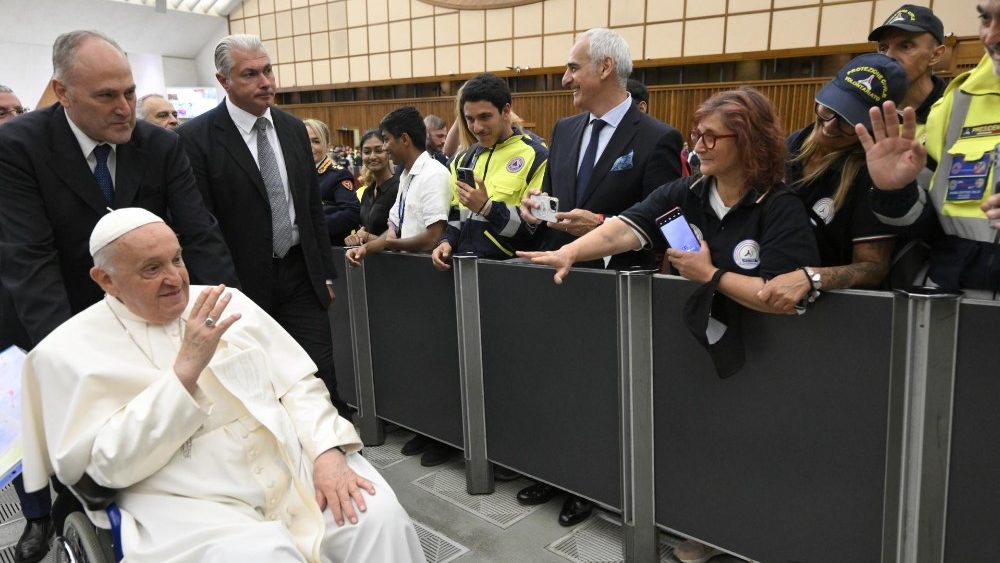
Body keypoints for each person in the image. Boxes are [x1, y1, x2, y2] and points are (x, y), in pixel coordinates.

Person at [19, 208, 426, 563]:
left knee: (376, 519)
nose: (175, 278)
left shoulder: (227, 301)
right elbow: (109, 465)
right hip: (190, 502)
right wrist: (184, 373)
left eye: (176, 259)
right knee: (258, 556)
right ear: (105, 279)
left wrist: (326, 452)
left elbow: (297, 385)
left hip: (291, 467)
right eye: (151, 268)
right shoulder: (69, 352)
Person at [518, 88, 819, 562]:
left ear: (748, 141)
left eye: (711, 137)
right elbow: (626, 226)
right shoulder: (687, 192)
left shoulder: (779, 206)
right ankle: (702, 530)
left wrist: (710, 276)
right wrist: (570, 251)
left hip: (764, 356)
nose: (697, 145)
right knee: (700, 441)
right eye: (696, 135)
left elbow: (781, 297)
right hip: (698, 349)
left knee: (754, 450)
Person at [0, 32, 237, 563]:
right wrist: (73, 356)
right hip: (50, 309)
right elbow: (30, 260)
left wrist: (228, 312)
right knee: (51, 425)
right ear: (62, 92)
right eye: (107, 96)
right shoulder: (18, 148)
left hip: (140, 309)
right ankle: (40, 515)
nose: (126, 108)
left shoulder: (160, 146)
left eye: (130, 92)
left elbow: (199, 233)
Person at [515, 27, 683, 528]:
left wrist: (606, 228)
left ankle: (591, 482)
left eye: (573, 67)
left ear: (605, 68)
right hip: (559, 281)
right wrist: (533, 212)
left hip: (616, 287)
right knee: (555, 385)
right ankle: (554, 469)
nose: (565, 77)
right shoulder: (564, 131)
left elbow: (667, 223)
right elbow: (551, 199)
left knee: (601, 395)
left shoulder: (657, 137)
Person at [177, 34, 349, 414]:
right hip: (240, 284)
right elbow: (201, 226)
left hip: (301, 274)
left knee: (319, 375)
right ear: (223, 80)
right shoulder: (196, 139)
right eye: (250, 74)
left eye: (268, 70)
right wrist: (223, 292)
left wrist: (323, 274)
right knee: (259, 382)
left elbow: (310, 209)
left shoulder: (291, 130)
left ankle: (334, 458)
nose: (266, 81)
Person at [862, 0, 1000, 297]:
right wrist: (893, 191)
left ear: (937, 54)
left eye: (906, 45)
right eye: (986, 20)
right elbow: (927, 219)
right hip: (956, 297)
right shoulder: (956, 103)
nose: (991, 36)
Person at [757, 54, 906, 311]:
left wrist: (812, 277)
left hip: (830, 310)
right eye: (828, 109)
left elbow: (873, 267)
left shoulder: (871, 174)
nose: (829, 127)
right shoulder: (790, 145)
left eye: (849, 122)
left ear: (875, 127)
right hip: (764, 291)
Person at [431, 72, 548, 269]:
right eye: (469, 119)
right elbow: (456, 213)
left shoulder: (537, 157)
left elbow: (535, 231)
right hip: (462, 271)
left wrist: (488, 208)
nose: (476, 127)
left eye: (485, 117)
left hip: (510, 273)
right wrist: (446, 242)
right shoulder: (462, 159)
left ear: (506, 111)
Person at [345, 106, 451, 267]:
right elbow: (393, 229)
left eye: (386, 140)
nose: (385, 147)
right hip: (409, 271)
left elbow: (432, 238)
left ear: (405, 139)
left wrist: (393, 244)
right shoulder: (405, 176)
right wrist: (365, 248)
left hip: (429, 273)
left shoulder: (433, 174)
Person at [869, 4, 947, 126]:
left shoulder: (954, 109)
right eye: (883, 48)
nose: (888, 56)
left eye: (905, 46)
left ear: (935, 55)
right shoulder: (868, 105)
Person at [303, 118, 361, 246]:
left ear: (327, 145)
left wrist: (314, 227)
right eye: (305, 141)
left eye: (316, 141)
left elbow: (351, 213)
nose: (310, 146)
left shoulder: (338, 175)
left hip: (328, 248)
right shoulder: (295, 174)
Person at [345, 128, 400, 246]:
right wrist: (355, 238)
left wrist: (366, 237)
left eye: (379, 150)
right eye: (367, 152)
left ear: (388, 152)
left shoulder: (399, 189)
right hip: (369, 262)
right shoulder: (367, 192)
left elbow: (402, 239)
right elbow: (364, 230)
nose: (372, 156)